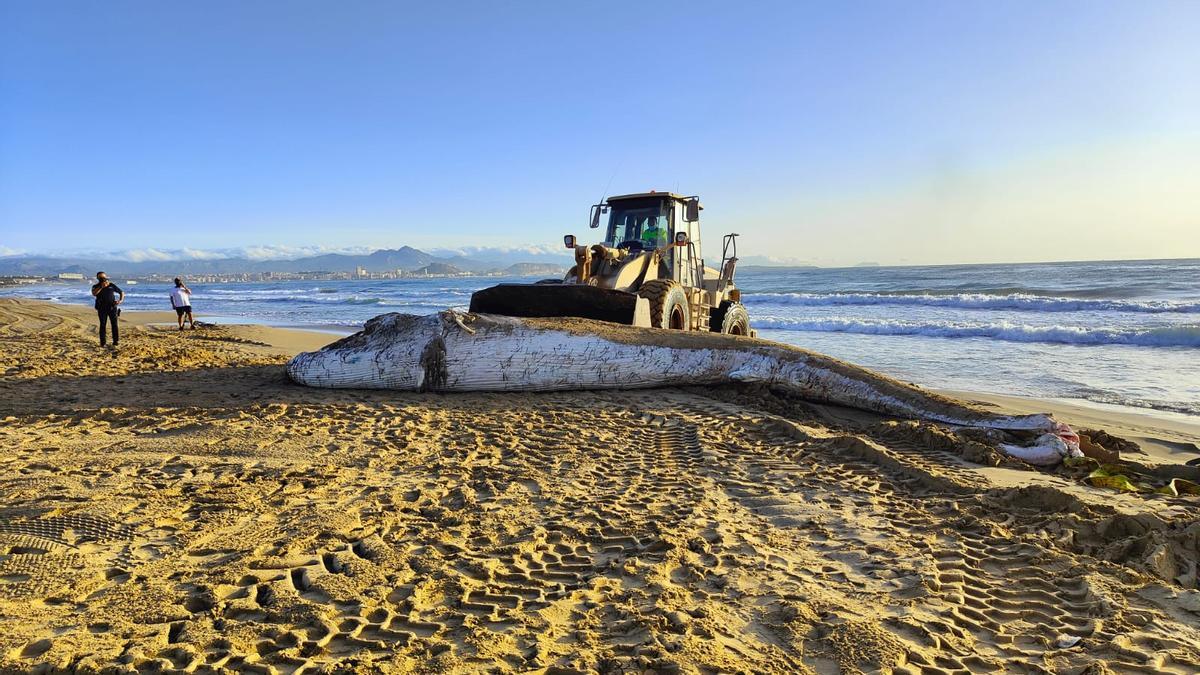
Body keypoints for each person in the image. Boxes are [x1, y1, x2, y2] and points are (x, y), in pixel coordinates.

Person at [90, 272, 124, 348]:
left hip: (112, 307)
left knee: (114, 325)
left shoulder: (111, 285)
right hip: (101, 308)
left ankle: (115, 341)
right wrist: (101, 287)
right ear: (98, 278)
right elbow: (94, 294)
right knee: (103, 325)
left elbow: (121, 292)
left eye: (104, 277)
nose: (103, 279)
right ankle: (103, 343)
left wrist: (120, 301)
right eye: (101, 278)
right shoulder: (96, 286)